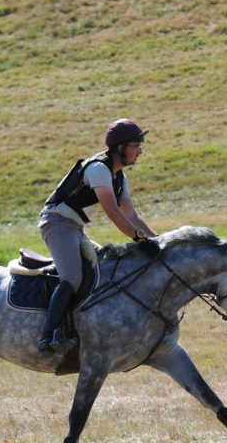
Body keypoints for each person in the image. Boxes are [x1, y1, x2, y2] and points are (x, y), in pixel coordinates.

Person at [36, 119, 158, 355]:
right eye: (136, 145)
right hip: (57, 223)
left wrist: (160, 241)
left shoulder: (119, 177)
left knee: (102, 271)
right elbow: (113, 212)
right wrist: (140, 240)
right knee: (72, 278)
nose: (140, 150)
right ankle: (47, 337)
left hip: (76, 228)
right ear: (120, 147)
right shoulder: (99, 169)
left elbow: (131, 215)